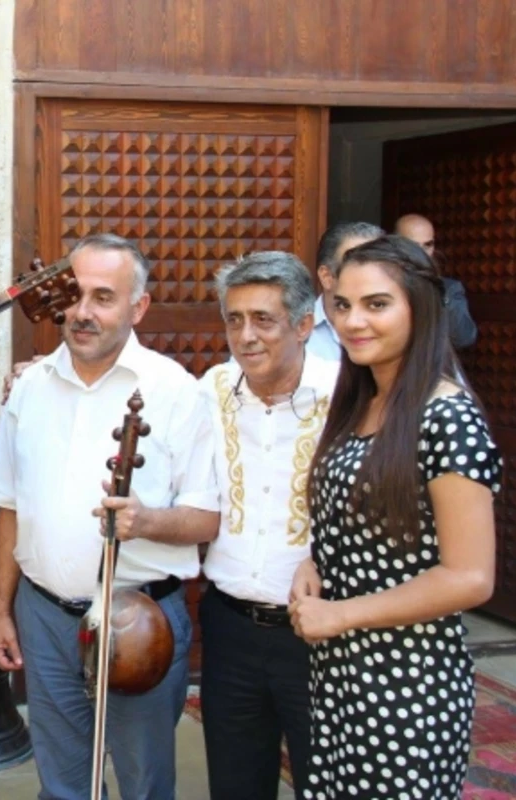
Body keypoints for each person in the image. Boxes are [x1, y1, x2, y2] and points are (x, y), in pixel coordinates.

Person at [0, 232, 219, 799]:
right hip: (44, 617)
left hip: (138, 621)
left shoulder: (175, 391)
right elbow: (9, 505)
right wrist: (3, 611)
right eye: (76, 294)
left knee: (143, 784)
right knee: (63, 784)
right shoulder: (30, 386)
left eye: (104, 297)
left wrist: (147, 520)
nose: (83, 313)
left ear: (138, 307)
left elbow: (206, 519)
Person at [290, 235, 501, 799]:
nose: (353, 320)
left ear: (421, 307)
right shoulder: (364, 398)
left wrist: (341, 616)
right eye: (342, 305)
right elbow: (375, 521)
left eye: (376, 304)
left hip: (405, 685)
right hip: (341, 674)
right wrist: (315, 561)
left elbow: (470, 576)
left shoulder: (447, 416)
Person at [197, 252, 338, 800]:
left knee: (324, 782)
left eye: (263, 319)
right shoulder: (210, 389)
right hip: (230, 625)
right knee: (235, 784)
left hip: (319, 635)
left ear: (304, 324)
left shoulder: (347, 395)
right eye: (234, 319)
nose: (245, 336)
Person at [394, 212, 478, 348]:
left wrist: (440, 292)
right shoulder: (379, 283)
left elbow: (464, 338)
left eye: (428, 245)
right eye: (413, 246)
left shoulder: (448, 288)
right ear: (394, 245)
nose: (421, 253)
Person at [307, 222, 383, 361]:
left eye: (379, 263)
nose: (371, 273)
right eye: (356, 263)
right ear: (327, 277)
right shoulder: (295, 334)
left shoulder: (399, 331)